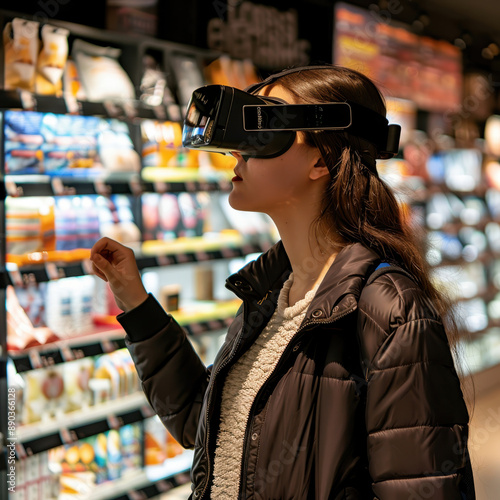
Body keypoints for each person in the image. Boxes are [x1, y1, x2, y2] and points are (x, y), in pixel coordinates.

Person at [90, 65, 475, 499]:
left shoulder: (389, 310)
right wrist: (136, 304)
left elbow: (421, 486)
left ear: (320, 158)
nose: (237, 152)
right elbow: (209, 424)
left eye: (263, 126)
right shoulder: (271, 294)